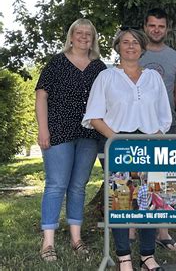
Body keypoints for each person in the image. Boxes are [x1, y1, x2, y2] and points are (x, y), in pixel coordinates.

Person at [82, 28, 171, 271]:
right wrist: (120, 140)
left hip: (149, 142)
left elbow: (164, 116)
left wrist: (157, 138)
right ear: (117, 47)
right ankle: (123, 258)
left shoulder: (153, 77)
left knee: (149, 200)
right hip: (117, 142)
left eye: (135, 42)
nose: (130, 46)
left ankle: (147, 256)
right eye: (125, 42)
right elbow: (95, 116)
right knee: (122, 201)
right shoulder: (106, 77)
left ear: (143, 48)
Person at [35, 18, 106, 262]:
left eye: (89, 33)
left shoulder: (99, 67)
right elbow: (41, 96)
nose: (84, 37)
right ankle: (48, 242)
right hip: (58, 132)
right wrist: (42, 130)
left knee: (78, 186)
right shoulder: (56, 62)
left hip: (88, 135)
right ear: (71, 36)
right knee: (56, 185)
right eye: (79, 33)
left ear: (93, 38)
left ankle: (77, 239)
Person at [140, 8, 176, 251]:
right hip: (137, 128)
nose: (156, 30)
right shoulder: (136, 53)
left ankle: (163, 231)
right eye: (152, 25)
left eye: (161, 26)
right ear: (145, 27)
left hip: (167, 127)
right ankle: (134, 228)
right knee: (138, 177)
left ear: (167, 29)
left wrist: (162, 114)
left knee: (164, 179)